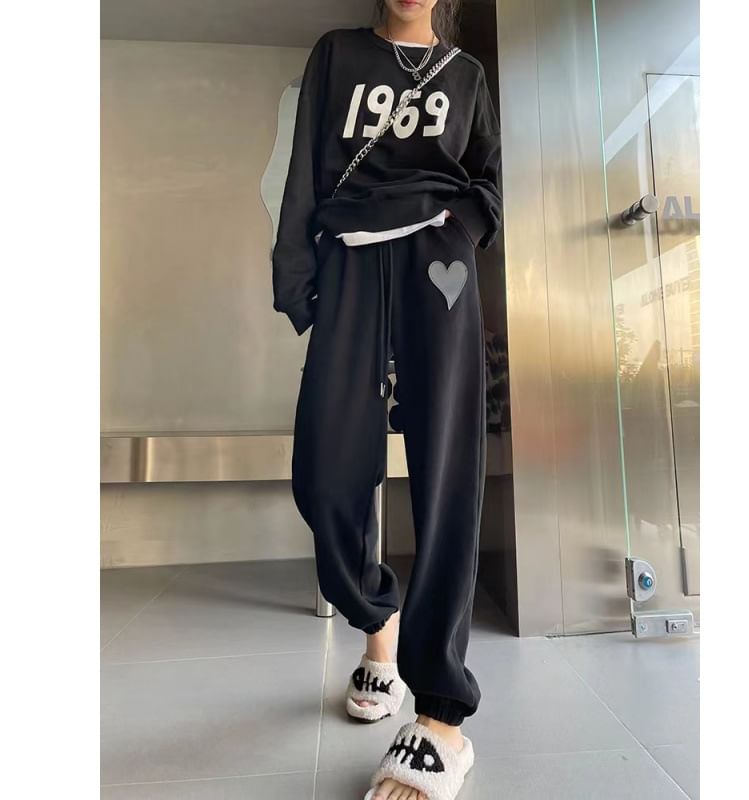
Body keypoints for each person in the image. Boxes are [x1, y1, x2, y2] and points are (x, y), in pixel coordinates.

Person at [271, 1, 502, 798]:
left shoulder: (467, 75)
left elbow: (488, 177)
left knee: (446, 469)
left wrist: (459, 225)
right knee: (328, 469)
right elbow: (305, 165)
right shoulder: (337, 54)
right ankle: (378, 622)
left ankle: (441, 716)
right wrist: (297, 279)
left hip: (440, 260)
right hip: (351, 257)